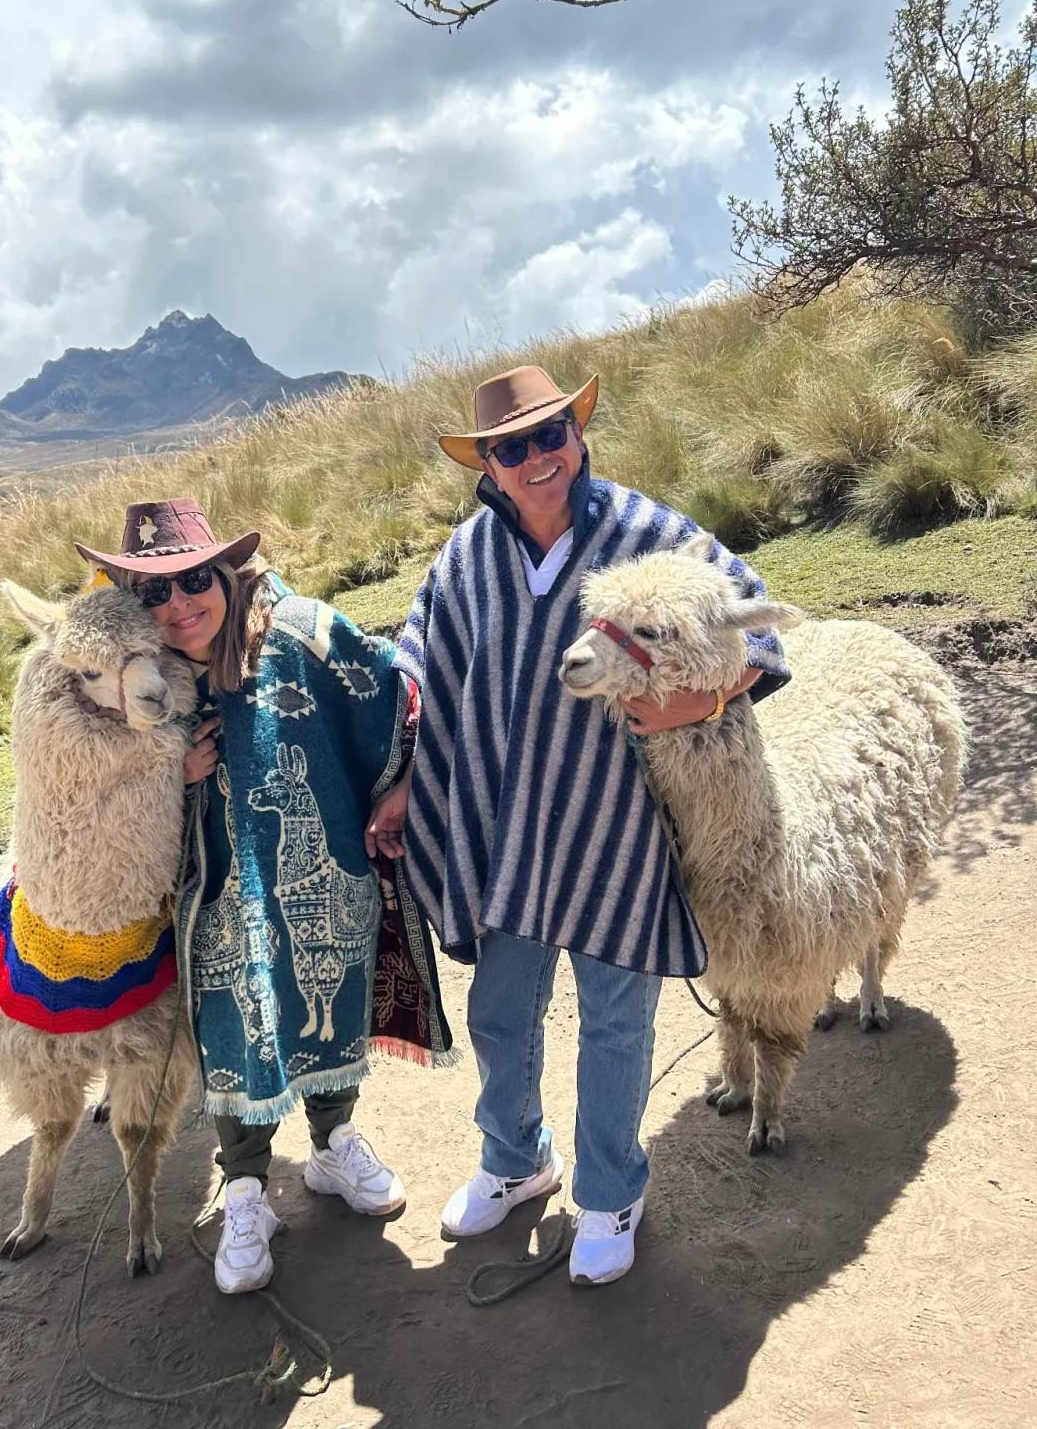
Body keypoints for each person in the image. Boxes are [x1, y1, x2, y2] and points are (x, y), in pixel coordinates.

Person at [390, 366, 791, 1287]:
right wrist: (402, 769)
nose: (535, 459)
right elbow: (422, 655)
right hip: (508, 827)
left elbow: (755, 622)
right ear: (487, 465)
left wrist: (704, 695)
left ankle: (611, 1191)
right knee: (499, 1014)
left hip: (621, 830)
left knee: (614, 1020)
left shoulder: (651, 536)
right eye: (510, 447)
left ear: (576, 435)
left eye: (548, 436)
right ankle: (515, 1160)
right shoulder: (467, 559)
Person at [76, 499, 450, 1295]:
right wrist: (162, 775)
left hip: (319, 876)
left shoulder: (306, 634)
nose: (178, 605)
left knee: (330, 996)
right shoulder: (137, 679)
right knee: (233, 1019)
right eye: (154, 592)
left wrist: (405, 787)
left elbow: (395, 698)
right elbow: (86, 790)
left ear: (225, 572)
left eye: (192, 580)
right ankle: (245, 1187)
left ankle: (333, 1141)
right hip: (214, 897)